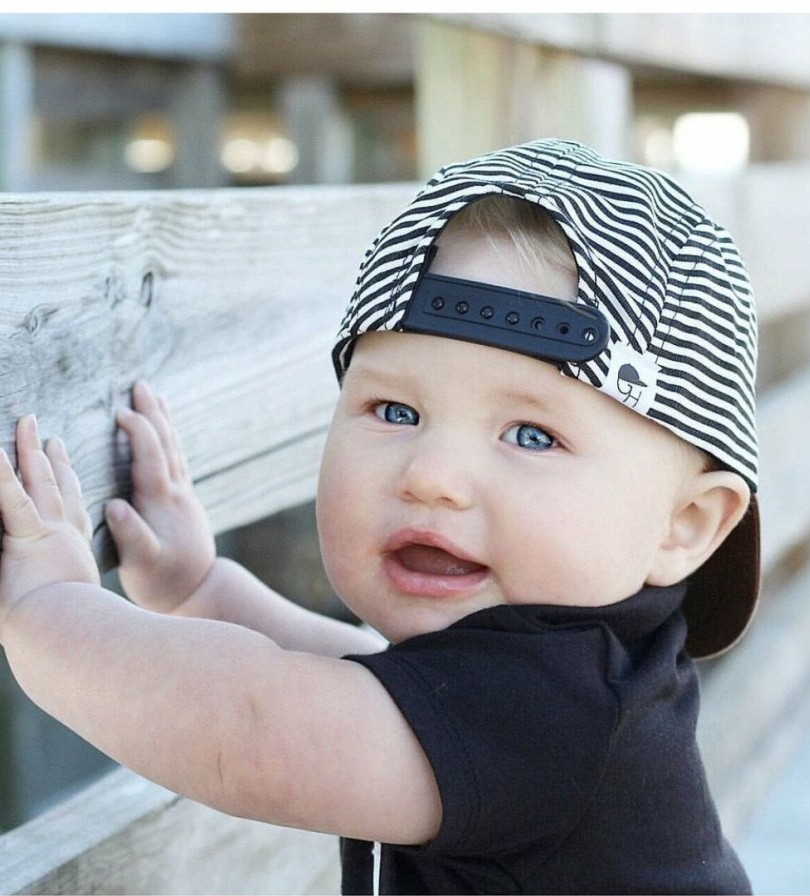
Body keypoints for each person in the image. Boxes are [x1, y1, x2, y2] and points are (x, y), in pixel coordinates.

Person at [0, 139, 760, 894]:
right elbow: (372, 688)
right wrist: (198, 588)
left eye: (532, 435)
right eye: (395, 409)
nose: (432, 478)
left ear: (683, 527)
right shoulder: (562, 677)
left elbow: (254, 731)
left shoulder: (565, 717)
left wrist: (44, 611)